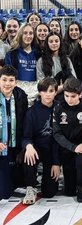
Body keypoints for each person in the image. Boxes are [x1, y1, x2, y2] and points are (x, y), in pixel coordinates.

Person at [53, 77, 82, 202]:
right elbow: (57, 134)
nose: (69, 99)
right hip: (66, 148)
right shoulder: (58, 108)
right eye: (66, 95)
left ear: (80, 94)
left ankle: (81, 187)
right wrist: (72, 147)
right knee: (69, 192)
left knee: (80, 161)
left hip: (81, 148)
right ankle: (79, 178)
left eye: (73, 96)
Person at [22, 78, 60, 205]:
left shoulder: (60, 109)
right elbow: (26, 136)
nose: (47, 94)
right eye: (44, 91)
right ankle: (30, 187)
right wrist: (28, 146)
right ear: (39, 93)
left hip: (53, 151)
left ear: (56, 92)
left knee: (49, 192)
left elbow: (59, 139)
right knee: (27, 154)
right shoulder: (31, 112)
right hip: (37, 149)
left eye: (51, 91)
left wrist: (56, 163)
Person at [0, 65, 28, 200]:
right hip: (1, 145)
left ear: (16, 82)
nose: (7, 84)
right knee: (4, 193)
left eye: (11, 80)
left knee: (12, 186)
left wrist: (24, 146)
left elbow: (25, 122)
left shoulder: (21, 95)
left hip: (15, 144)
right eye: (4, 79)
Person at [5, 23, 39, 105]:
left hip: (36, 92)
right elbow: (8, 75)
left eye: (31, 33)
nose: (28, 36)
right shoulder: (12, 53)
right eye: (25, 33)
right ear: (20, 34)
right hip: (18, 92)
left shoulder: (39, 53)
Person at [36, 31, 76, 99]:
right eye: (51, 41)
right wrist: (61, 87)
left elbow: (74, 80)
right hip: (47, 96)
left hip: (66, 96)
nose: (54, 43)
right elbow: (41, 83)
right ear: (47, 43)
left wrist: (63, 87)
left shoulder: (67, 60)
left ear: (60, 43)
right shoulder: (41, 61)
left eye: (56, 41)